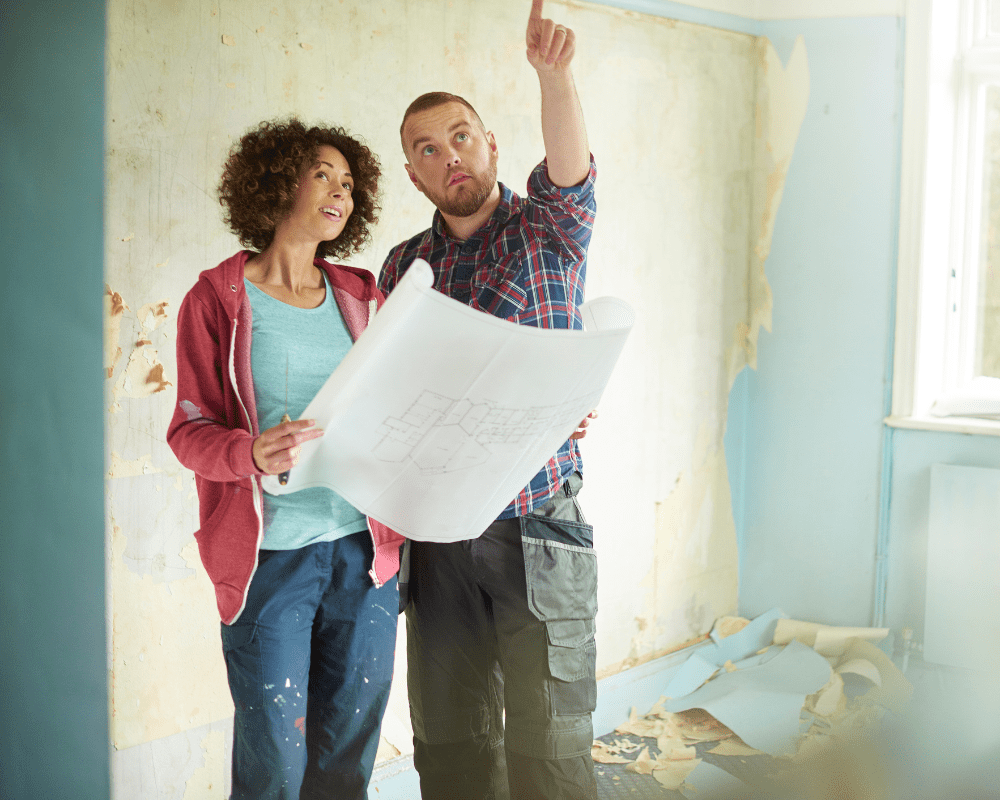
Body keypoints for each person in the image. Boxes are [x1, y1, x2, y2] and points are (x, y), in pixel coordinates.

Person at [378, 2, 598, 798]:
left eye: (460, 136)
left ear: (491, 144)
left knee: (553, 745)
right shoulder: (401, 270)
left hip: (537, 525)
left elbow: (572, 164)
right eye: (427, 150)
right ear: (414, 173)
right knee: (452, 745)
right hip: (438, 536)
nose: (449, 156)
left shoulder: (550, 230)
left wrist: (554, 76)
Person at [167, 118, 405, 800]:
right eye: (322, 174)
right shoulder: (218, 299)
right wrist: (250, 452)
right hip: (272, 562)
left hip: (366, 557)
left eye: (350, 182)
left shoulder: (364, 298)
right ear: (277, 184)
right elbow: (188, 432)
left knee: (348, 751)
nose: (340, 192)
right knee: (275, 758)